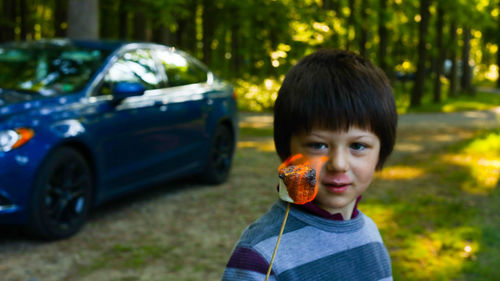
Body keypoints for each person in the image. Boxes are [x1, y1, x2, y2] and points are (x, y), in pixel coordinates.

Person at [222, 49, 397, 281]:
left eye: (357, 146)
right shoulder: (260, 256)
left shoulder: (370, 234)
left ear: (381, 153)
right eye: (318, 145)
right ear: (287, 152)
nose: (338, 164)